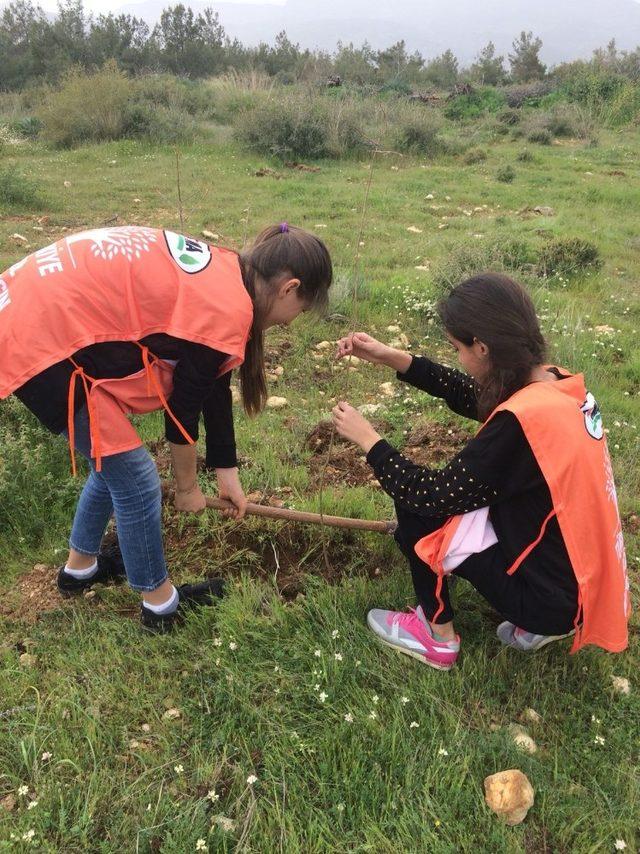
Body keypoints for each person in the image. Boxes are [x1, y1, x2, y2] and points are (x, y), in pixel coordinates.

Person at [1, 222, 332, 632]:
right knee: (137, 480)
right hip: (38, 339)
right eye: (299, 310)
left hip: (34, 316)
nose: (290, 323)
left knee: (114, 462)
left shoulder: (229, 275)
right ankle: (160, 607)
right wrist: (188, 488)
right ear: (289, 288)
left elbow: (211, 380)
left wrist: (226, 473)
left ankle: (79, 569)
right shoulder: (228, 306)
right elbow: (182, 410)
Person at [333, 273, 629, 670]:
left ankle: (436, 638)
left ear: (484, 348)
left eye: (457, 347)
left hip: (549, 602)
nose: (457, 357)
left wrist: (370, 441)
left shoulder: (522, 423)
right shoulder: (555, 385)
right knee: (459, 499)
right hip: (584, 586)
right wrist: (392, 357)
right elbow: (471, 393)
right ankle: (541, 616)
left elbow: (429, 494)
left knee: (419, 511)